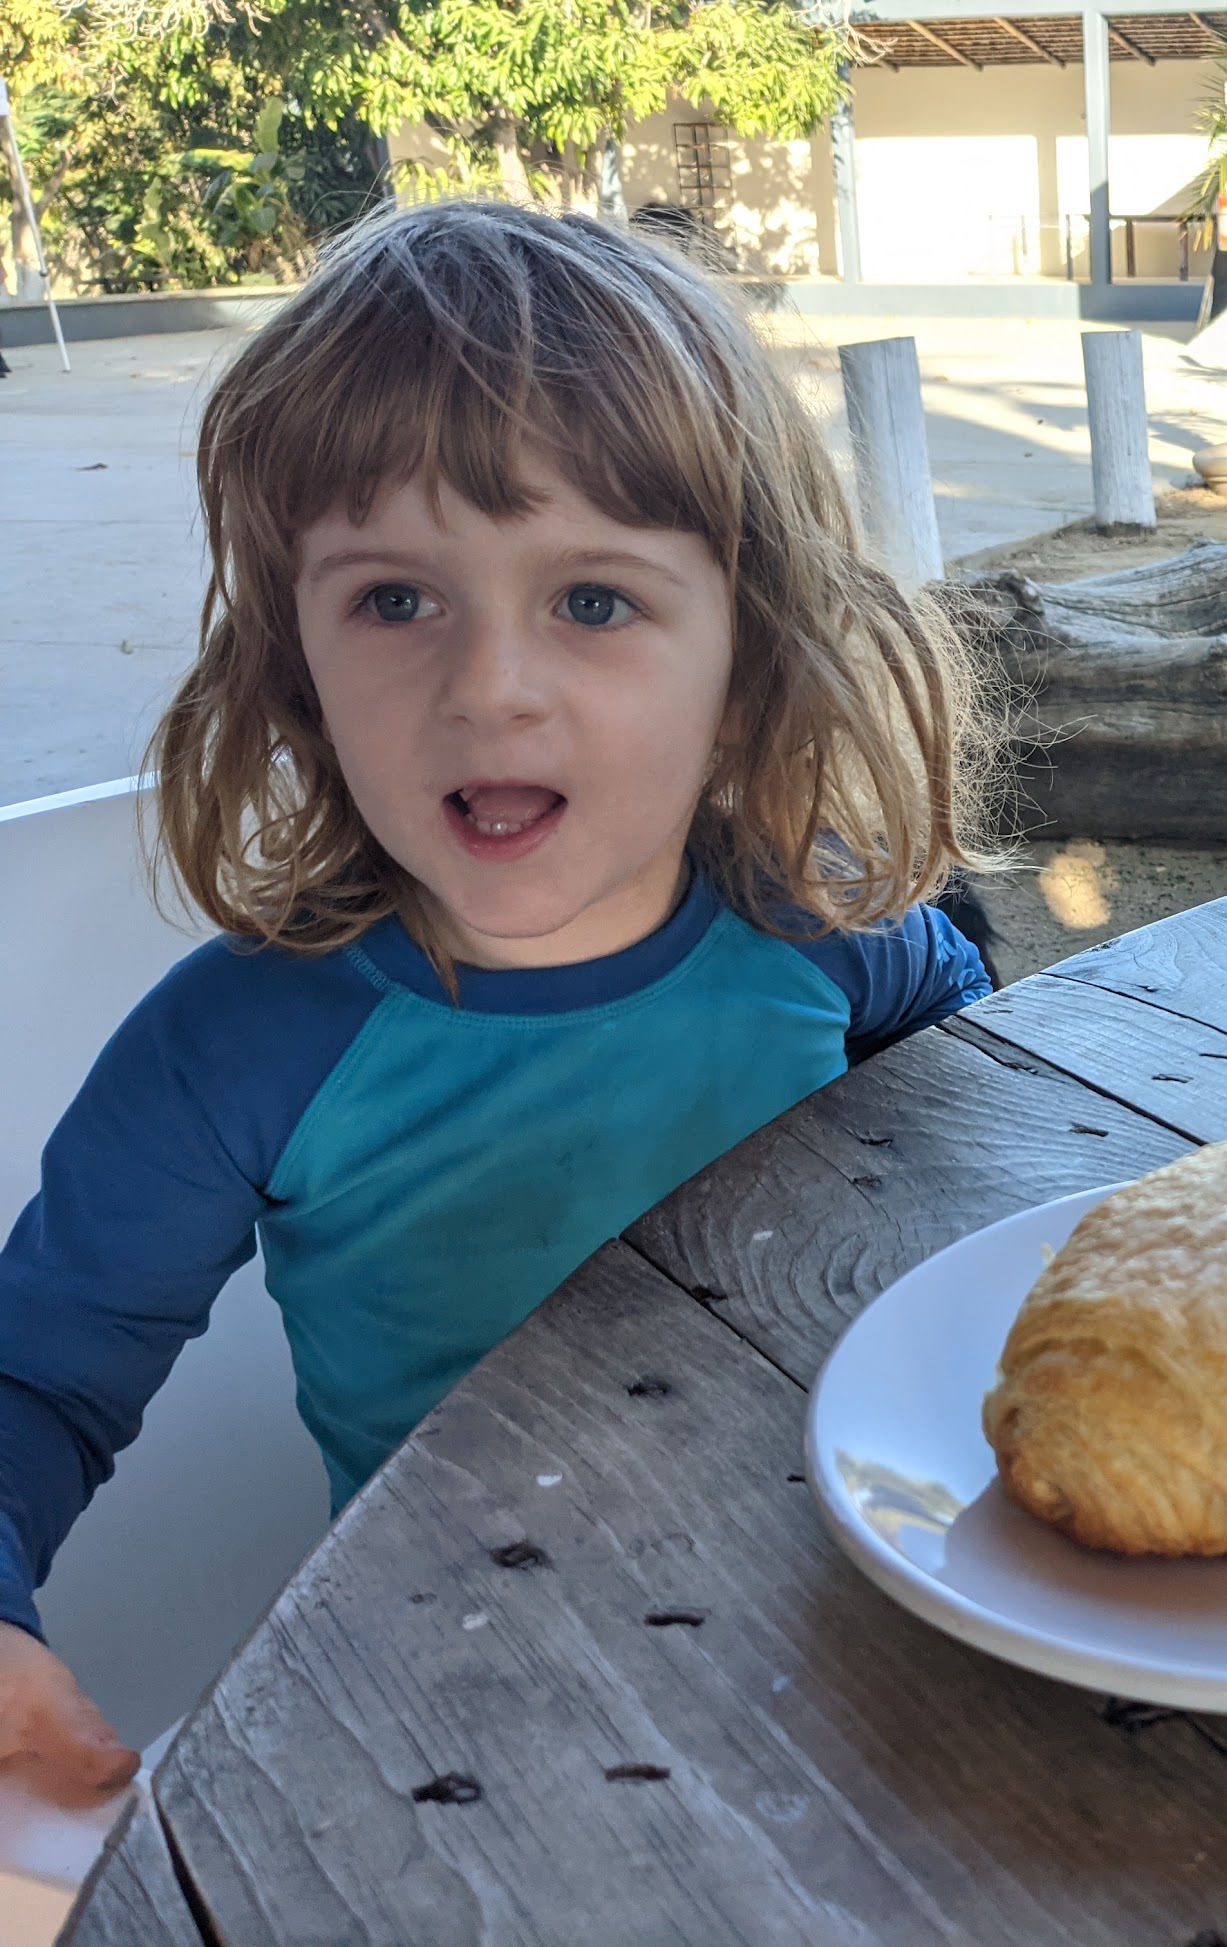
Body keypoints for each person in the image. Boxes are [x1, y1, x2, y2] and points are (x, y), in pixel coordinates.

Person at [0, 202, 999, 1801]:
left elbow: (966, 1031)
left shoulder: (817, 930)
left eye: (592, 599)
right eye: (395, 599)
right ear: (297, 671)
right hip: (470, 1718)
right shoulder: (242, 1048)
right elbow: (34, 1375)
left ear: (743, 667)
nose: (488, 686)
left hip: (848, 1636)